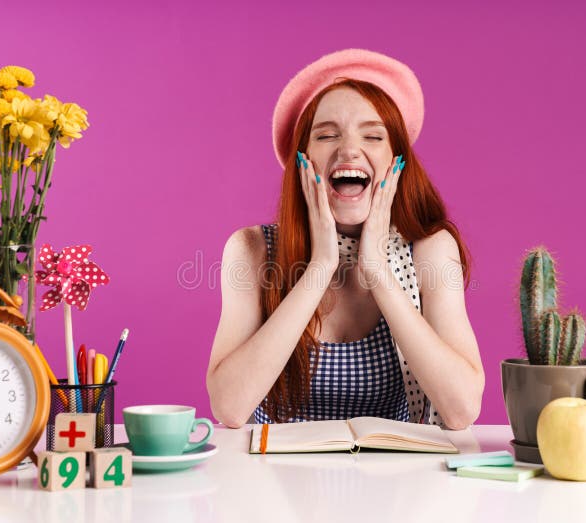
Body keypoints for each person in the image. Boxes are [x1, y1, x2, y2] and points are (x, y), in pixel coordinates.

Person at [207, 49, 484, 429]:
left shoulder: (429, 250)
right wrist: (320, 267)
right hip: (269, 479)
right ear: (302, 161)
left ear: (395, 161)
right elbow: (229, 407)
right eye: (326, 135)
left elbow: (461, 409)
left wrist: (377, 270)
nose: (350, 149)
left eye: (373, 135)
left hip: (393, 483)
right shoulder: (252, 250)